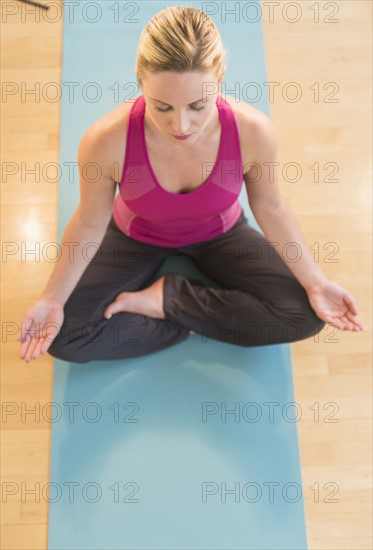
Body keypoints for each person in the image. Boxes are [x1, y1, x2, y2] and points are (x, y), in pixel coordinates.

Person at [18, 6, 364, 364]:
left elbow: (272, 206)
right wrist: (52, 299)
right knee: (63, 335)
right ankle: (184, 316)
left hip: (221, 233)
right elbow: (90, 221)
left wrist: (317, 282)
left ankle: (168, 299)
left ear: (221, 77)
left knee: (304, 315)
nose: (181, 125)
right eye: (162, 107)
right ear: (140, 81)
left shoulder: (253, 132)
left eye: (198, 105)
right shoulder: (105, 141)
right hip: (134, 237)